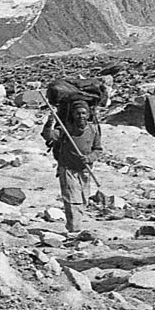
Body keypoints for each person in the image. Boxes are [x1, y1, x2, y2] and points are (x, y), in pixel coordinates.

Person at [42, 99, 102, 234]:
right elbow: (49, 136)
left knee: (83, 199)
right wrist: (49, 123)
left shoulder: (93, 129)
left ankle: (75, 226)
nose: (81, 116)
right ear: (73, 115)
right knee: (72, 200)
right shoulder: (66, 128)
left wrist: (89, 158)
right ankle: (74, 229)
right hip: (67, 168)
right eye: (78, 113)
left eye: (83, 113)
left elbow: (98, 149)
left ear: (88, 115)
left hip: (85, 170)